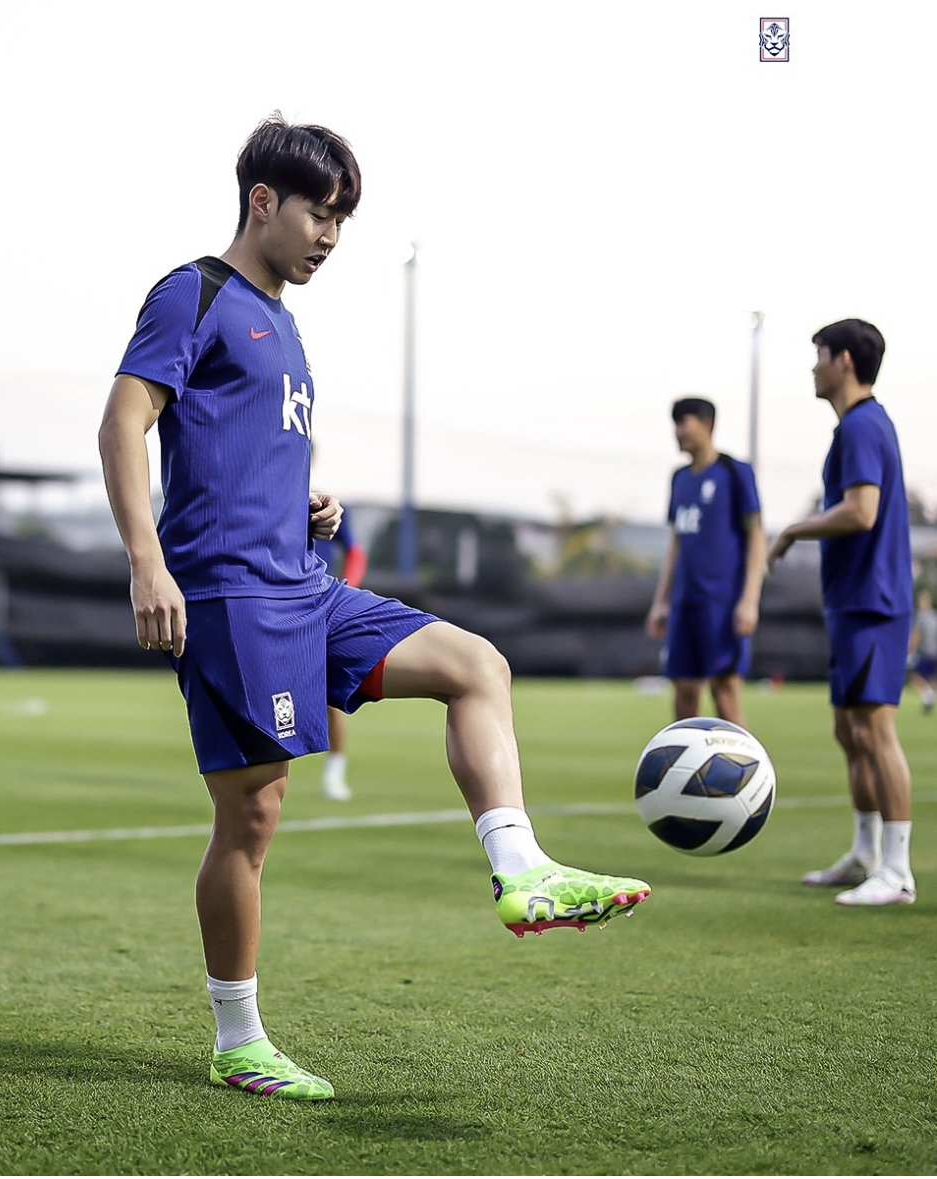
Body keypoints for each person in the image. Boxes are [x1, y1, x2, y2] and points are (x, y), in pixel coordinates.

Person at [97, 114, 651, 1102]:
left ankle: (521, 871)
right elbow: (125, 422)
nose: (330, 238)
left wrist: (310, 506)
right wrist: (147, 562)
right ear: (263, 201)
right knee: (253, 815)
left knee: (477, 665)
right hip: (228, 595)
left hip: (307, 584)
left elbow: (245, 443)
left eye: (343, 221)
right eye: (321, 214)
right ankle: (239, 1040)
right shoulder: (196, 292)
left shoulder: (287, 324)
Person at [768, 318, 915, 906]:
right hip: (852, 603)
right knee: (849, 731)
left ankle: (897, 871)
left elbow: (861, 512)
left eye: (819, 355)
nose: (813, 366)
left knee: (876, 732)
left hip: (874, 603)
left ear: (845, 361)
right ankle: (864, 854)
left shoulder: (862, 425)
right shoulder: (854, 427)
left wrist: (792, 531)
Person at [644, 397, 766, 725]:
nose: (678, 431)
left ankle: (744, 774)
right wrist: (661, 602)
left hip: (722, 603)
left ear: (707, 424)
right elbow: (675, 545)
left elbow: (757, 537)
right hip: (686, 603)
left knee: (724, 691)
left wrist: (749, 600)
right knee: (684, 690)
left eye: (685, 422)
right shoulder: (679, 478)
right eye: (676, 423)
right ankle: (685, 773)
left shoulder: (734, 472)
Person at [314, 501, 367, 801]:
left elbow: (355, 551)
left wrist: (349, 587)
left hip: (320, 605)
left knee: (331, 698)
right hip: (277, 603)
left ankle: (334, 774)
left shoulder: (323, 503)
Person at [907, 588, 936, 714]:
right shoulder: (934, 616)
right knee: (930, 679)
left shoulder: (921, 617)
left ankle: (928, 696)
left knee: (913, 676)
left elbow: (916, 635)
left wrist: (910, 651)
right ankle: (928, 699)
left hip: (924, 652)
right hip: (934, 652)